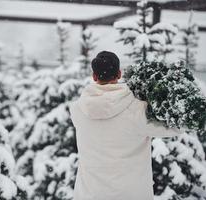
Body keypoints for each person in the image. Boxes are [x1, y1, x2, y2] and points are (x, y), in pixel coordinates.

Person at [69, 51, 182, 200]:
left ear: (94, 76)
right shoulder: (138, 111)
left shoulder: (77, 110)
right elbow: (177, 126)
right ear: (119, 74)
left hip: (89, 195)